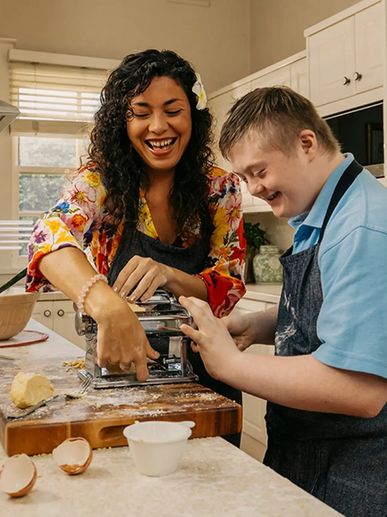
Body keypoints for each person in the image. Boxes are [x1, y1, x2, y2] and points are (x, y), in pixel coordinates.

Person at [179, 86, 387, 516]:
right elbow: (337, 308)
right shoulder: (323, 209)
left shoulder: (361, 228)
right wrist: (259, 324)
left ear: (306, 143)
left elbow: (360, 389)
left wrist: (229, 366)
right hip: (312, 449)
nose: (254, 189)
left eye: (259, 171)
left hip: (356, 469)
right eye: (244, 178)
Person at [26, 50, 246, 437]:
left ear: (193, 116)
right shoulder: (101, 183)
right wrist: (107, 304)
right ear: (122, 122)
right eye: (141, 113)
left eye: (172, 110)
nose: (158, 127)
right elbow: (48, 235)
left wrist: (168, 275)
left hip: (210, 373)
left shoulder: (219, 188)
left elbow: (227, 286)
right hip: (121, 374)